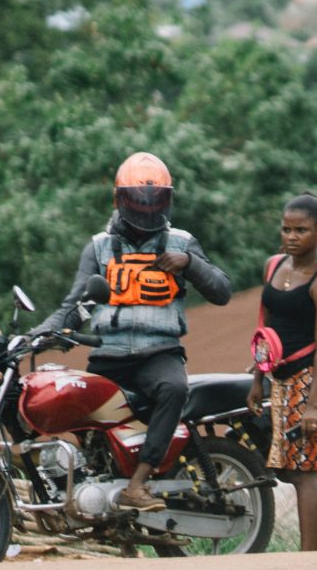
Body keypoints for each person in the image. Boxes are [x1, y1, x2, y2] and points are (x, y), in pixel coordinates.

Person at [43, 152, 232, 513]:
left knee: (174, 388)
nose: (147, 211)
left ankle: (138, 483)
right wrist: (45, 333)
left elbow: (222, 291)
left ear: (167, 200)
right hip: (108, 354)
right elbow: (73, 305)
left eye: (155, 201)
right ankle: (91, 492)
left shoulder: (181, 241)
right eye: (138, 202)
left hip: (159, 353)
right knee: (70, 404)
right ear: (119, 200)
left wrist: (190, 264)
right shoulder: (99, 247)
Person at [249, 194, 317, 552]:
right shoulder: (273, 266)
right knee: (294, 468)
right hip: (280, 378)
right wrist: (259, 379)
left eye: (301, 230)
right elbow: (264, 326)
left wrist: (314, 405)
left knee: (306, 469)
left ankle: (313, 555)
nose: (291, 236)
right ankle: (313, 552)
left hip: (312, 378)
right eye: (286, 228)